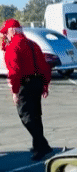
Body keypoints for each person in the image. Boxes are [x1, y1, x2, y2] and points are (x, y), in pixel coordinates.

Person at [1, 19, 53, 160]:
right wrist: (45, 84)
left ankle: (42, 145)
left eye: (5, 33)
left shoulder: (13, 47)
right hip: (36, 83)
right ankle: (40, 146)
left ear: (11, 31)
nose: (5, 36)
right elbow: (44, 66)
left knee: (26, 117)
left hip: (25, 84)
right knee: (36, 116)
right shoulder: (33, 44)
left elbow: (14, 72)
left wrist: (15, 92)